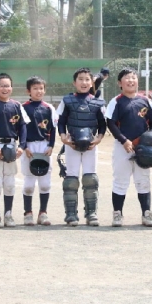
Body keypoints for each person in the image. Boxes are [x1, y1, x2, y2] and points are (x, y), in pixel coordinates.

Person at [105, 68, 152, 227]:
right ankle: (117, 214)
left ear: (137, 81)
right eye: (127, 78)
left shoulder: (145, 100)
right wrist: (123, 140)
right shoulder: (116, 101)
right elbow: (111, 123)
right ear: (119, 83)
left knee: (143, 181)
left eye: (133, 77)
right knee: (120, 181)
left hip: (142, 147)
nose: (130, 80)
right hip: (123, 146)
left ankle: (146, 214)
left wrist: (150, 137)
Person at [57, 67, 107, 226]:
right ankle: (71, 214)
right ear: (74, 82)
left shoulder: (98, 102)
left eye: (87, 79)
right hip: (72, 144)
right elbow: (61, 121)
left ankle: (91, 214)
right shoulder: (67, 100)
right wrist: (63, 137)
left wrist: (99, 138)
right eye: (80, 79)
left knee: (90, 179)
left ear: (92, 82)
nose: (84, 82)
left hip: (90, 145)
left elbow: (103, 124)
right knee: (71, 179)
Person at [0, 73, 30, 228]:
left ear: (11, 88)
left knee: (9, 182)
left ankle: (8, 214)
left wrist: (22, 146)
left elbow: (23, 126)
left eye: (7, 85)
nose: (5, 88)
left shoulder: (17, 106)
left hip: (12, 145)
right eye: (2, 86)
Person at [21, 76, 58, 226]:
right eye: (35, 88)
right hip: (29, 146)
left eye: (41, 88)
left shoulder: (49, 108)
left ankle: (43, 213)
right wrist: (24, 146)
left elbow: (53, 128)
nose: (39, 91)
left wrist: (51, 145)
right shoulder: (23, 108)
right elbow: (21, 129)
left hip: (44, 146)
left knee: (45, 183)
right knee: (29, 184)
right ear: (28, 91)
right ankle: (28, 213)